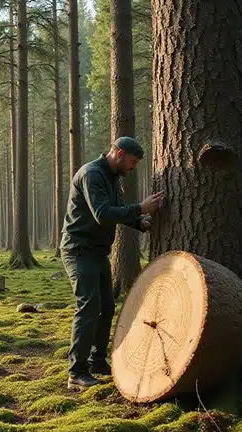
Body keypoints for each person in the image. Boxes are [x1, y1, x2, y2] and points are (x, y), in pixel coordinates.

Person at [59, 136, 164, 390]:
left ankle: (97, 361)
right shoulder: (91, 174)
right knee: (88, 308)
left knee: (106, 307)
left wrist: (138, 223)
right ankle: (76, 372)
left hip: (98, 252)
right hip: (78, 250)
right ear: (118, 153)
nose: (133, 168)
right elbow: (103, 214)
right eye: (132, 162)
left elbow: (117, 209)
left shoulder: (113, 179)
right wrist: (140, 208)